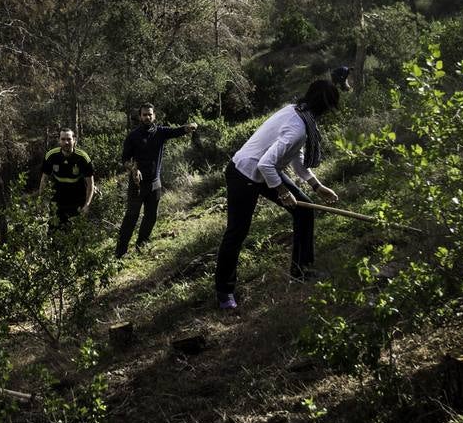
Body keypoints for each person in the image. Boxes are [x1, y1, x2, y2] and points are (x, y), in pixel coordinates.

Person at [213, 74, 347, 311]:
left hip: (265, 170)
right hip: (244, 173)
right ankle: (224, 292)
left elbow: (295, 157)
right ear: (322, 107)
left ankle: (301, 270)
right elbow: (265, 164)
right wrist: (283, 192)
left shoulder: (299, 115)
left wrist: (317, 186)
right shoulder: (297, 125)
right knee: (237, 232)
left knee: (304, 212)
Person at [115, 103, 198, 257]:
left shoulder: (160, 132)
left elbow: (176, 131)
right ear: (140, 117)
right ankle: (120, 252)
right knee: (131, 218)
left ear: (154, 116)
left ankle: (141, 245)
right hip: (137, 184)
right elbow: (125, 159)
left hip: (155, 183)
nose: (147, 117)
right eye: (144, 114)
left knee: (151, 216)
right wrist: (134, 169)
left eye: (150, 114)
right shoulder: (133, 136)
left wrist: (188, 127)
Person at [34, 127, 96, 225]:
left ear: (74, 140)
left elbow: (90, 184)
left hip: (77, 200)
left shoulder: (83, 158)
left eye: (69, 139)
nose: (66, 142)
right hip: (57, 200)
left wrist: (87, 205)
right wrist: (41, 201)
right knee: (54, 231)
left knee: (75, 232)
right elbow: (44, 180)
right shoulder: (51, 156)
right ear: (59, 140)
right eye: (63, 139)